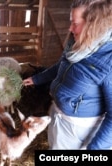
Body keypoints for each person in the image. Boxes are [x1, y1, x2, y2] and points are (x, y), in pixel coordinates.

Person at [23, 0, 112, 150]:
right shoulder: (75, 45)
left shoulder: (108, 61)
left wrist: (95, 149)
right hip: (58, 115)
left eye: (75, 23)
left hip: (79, 129)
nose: (70, 28)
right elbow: (61, 67)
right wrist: (36, 79)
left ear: (94, 24)